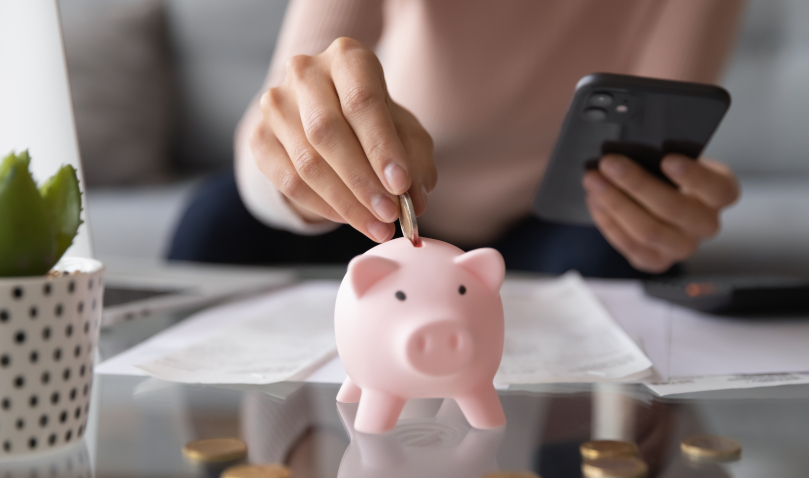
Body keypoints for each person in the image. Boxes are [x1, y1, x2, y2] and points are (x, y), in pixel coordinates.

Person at [168, 0, 743, 279]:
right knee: (216, 219)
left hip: (548, 221)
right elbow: (279, 117)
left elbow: (652, 134)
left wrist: (661, 211)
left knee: (616, 256)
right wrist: (297, 178)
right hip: (378, 205)